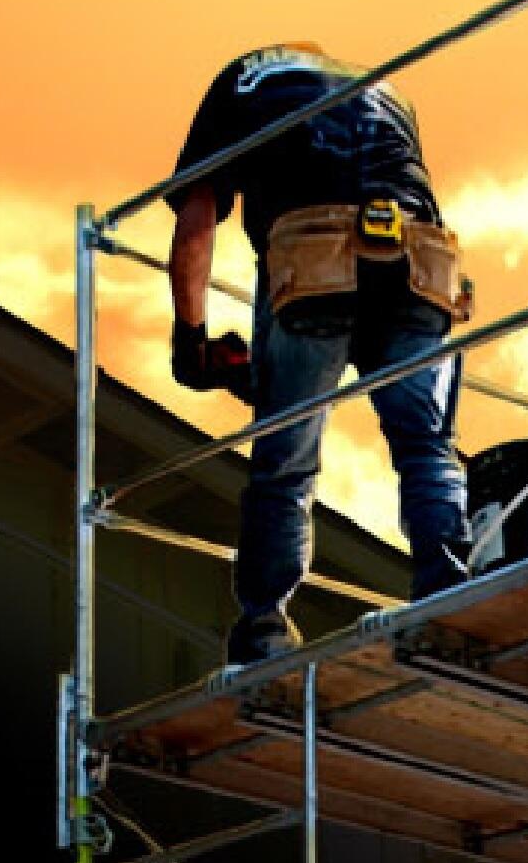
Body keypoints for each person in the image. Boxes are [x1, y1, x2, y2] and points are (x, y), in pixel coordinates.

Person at [165, 43, 472, 666]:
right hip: (419, 260)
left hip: (313, 260)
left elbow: (197, 221)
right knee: (426, 447)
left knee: (286, 460)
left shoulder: (240, 80)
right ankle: (449, 595)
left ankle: (265, 627)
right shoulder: (388, 91)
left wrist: (190, 339)